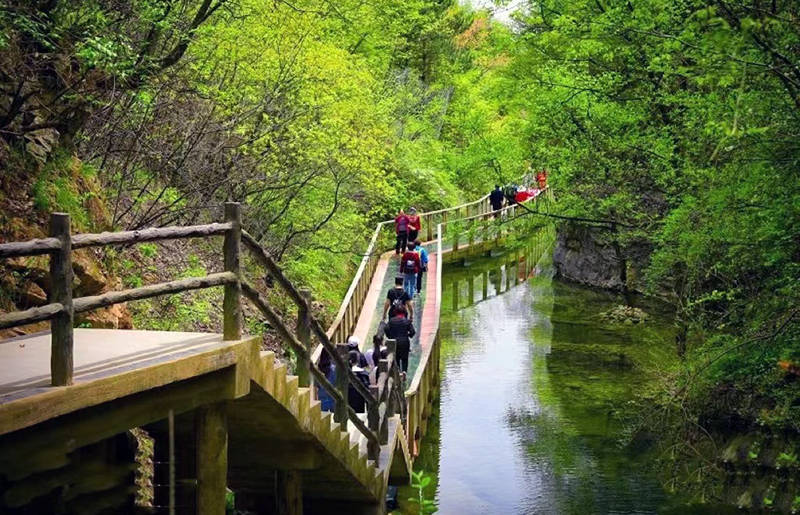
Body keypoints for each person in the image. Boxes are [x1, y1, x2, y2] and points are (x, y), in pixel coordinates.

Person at [384, 306, 416, 373]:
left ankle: (398, 373)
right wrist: (409, 335)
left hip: (394, 342)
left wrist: (389, 336)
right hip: (404, 342)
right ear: (404, 312)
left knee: (396, 358)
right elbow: (413, 332)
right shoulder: (407, 321)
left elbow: (386, 328)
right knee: (405, 359)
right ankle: (404, 372)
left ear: (395, 312)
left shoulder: (392, 321)